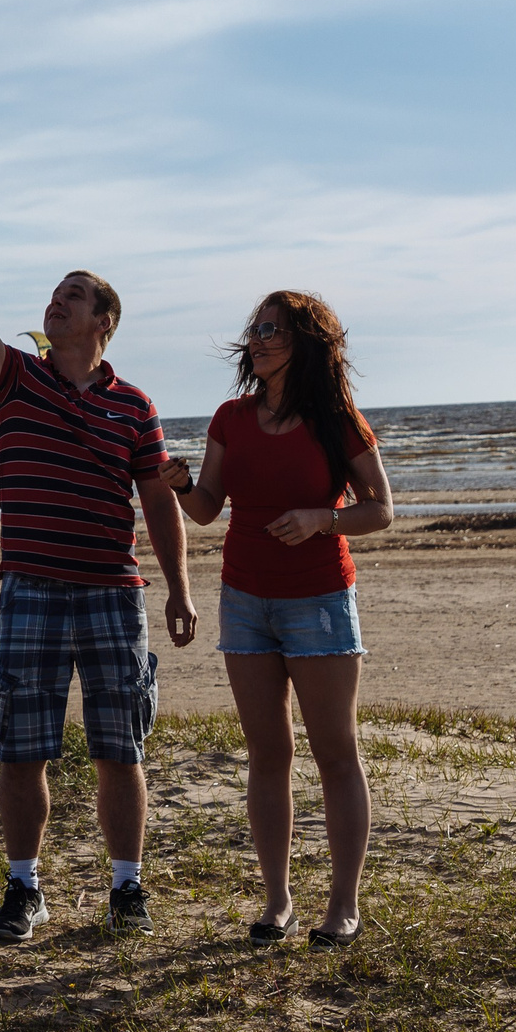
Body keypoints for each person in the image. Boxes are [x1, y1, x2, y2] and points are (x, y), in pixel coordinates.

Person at [0, 200, 196, 941]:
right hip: (30, 590)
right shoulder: (13, 379)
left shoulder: (134, 406)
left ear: (102, 322)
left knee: (121, 746)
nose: (56, 300)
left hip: (115, 594)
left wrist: (179, 591)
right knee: (23, 748)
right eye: (54, 293)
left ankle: (126, 889)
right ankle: (24, 888)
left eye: (73, 295)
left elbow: (157, 500)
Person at [165, 292, 393, 949]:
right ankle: (277, 901)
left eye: (273, 329)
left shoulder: (337, 420)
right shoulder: (230, 418)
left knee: (335, 754)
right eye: (255, 328)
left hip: (319, 601)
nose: (257, 338)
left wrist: (326, 518)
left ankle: (343, 906)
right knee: (268, 753)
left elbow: (381, 510)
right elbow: (208, 508)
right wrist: (180, 485)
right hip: (244, 600)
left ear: (306, 343)